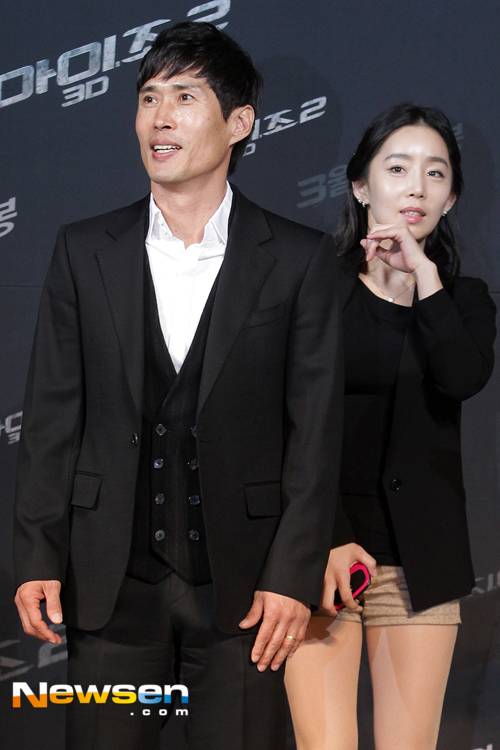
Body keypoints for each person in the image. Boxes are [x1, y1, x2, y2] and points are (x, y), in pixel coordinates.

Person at [13, 21, 343, 750]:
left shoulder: (298, 259)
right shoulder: (84, 250)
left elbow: (315, 435)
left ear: (240, 123)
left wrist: (291, 575)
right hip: (109, 582)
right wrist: (36, 556)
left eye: (185, 97)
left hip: (246, 593)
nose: (159, 118)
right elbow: (51, 418)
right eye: (148, 98)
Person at [284, 103, 496, 750]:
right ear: (360, 185)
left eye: (436, 173)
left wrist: (424, 276)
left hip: (419, 566)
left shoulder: (462, 299)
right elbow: (282, 420)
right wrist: (325, 537)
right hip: (320, 555)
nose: (416, 187)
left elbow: (461, 377)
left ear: (451, 197)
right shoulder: (315, 286)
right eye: (398, 168)